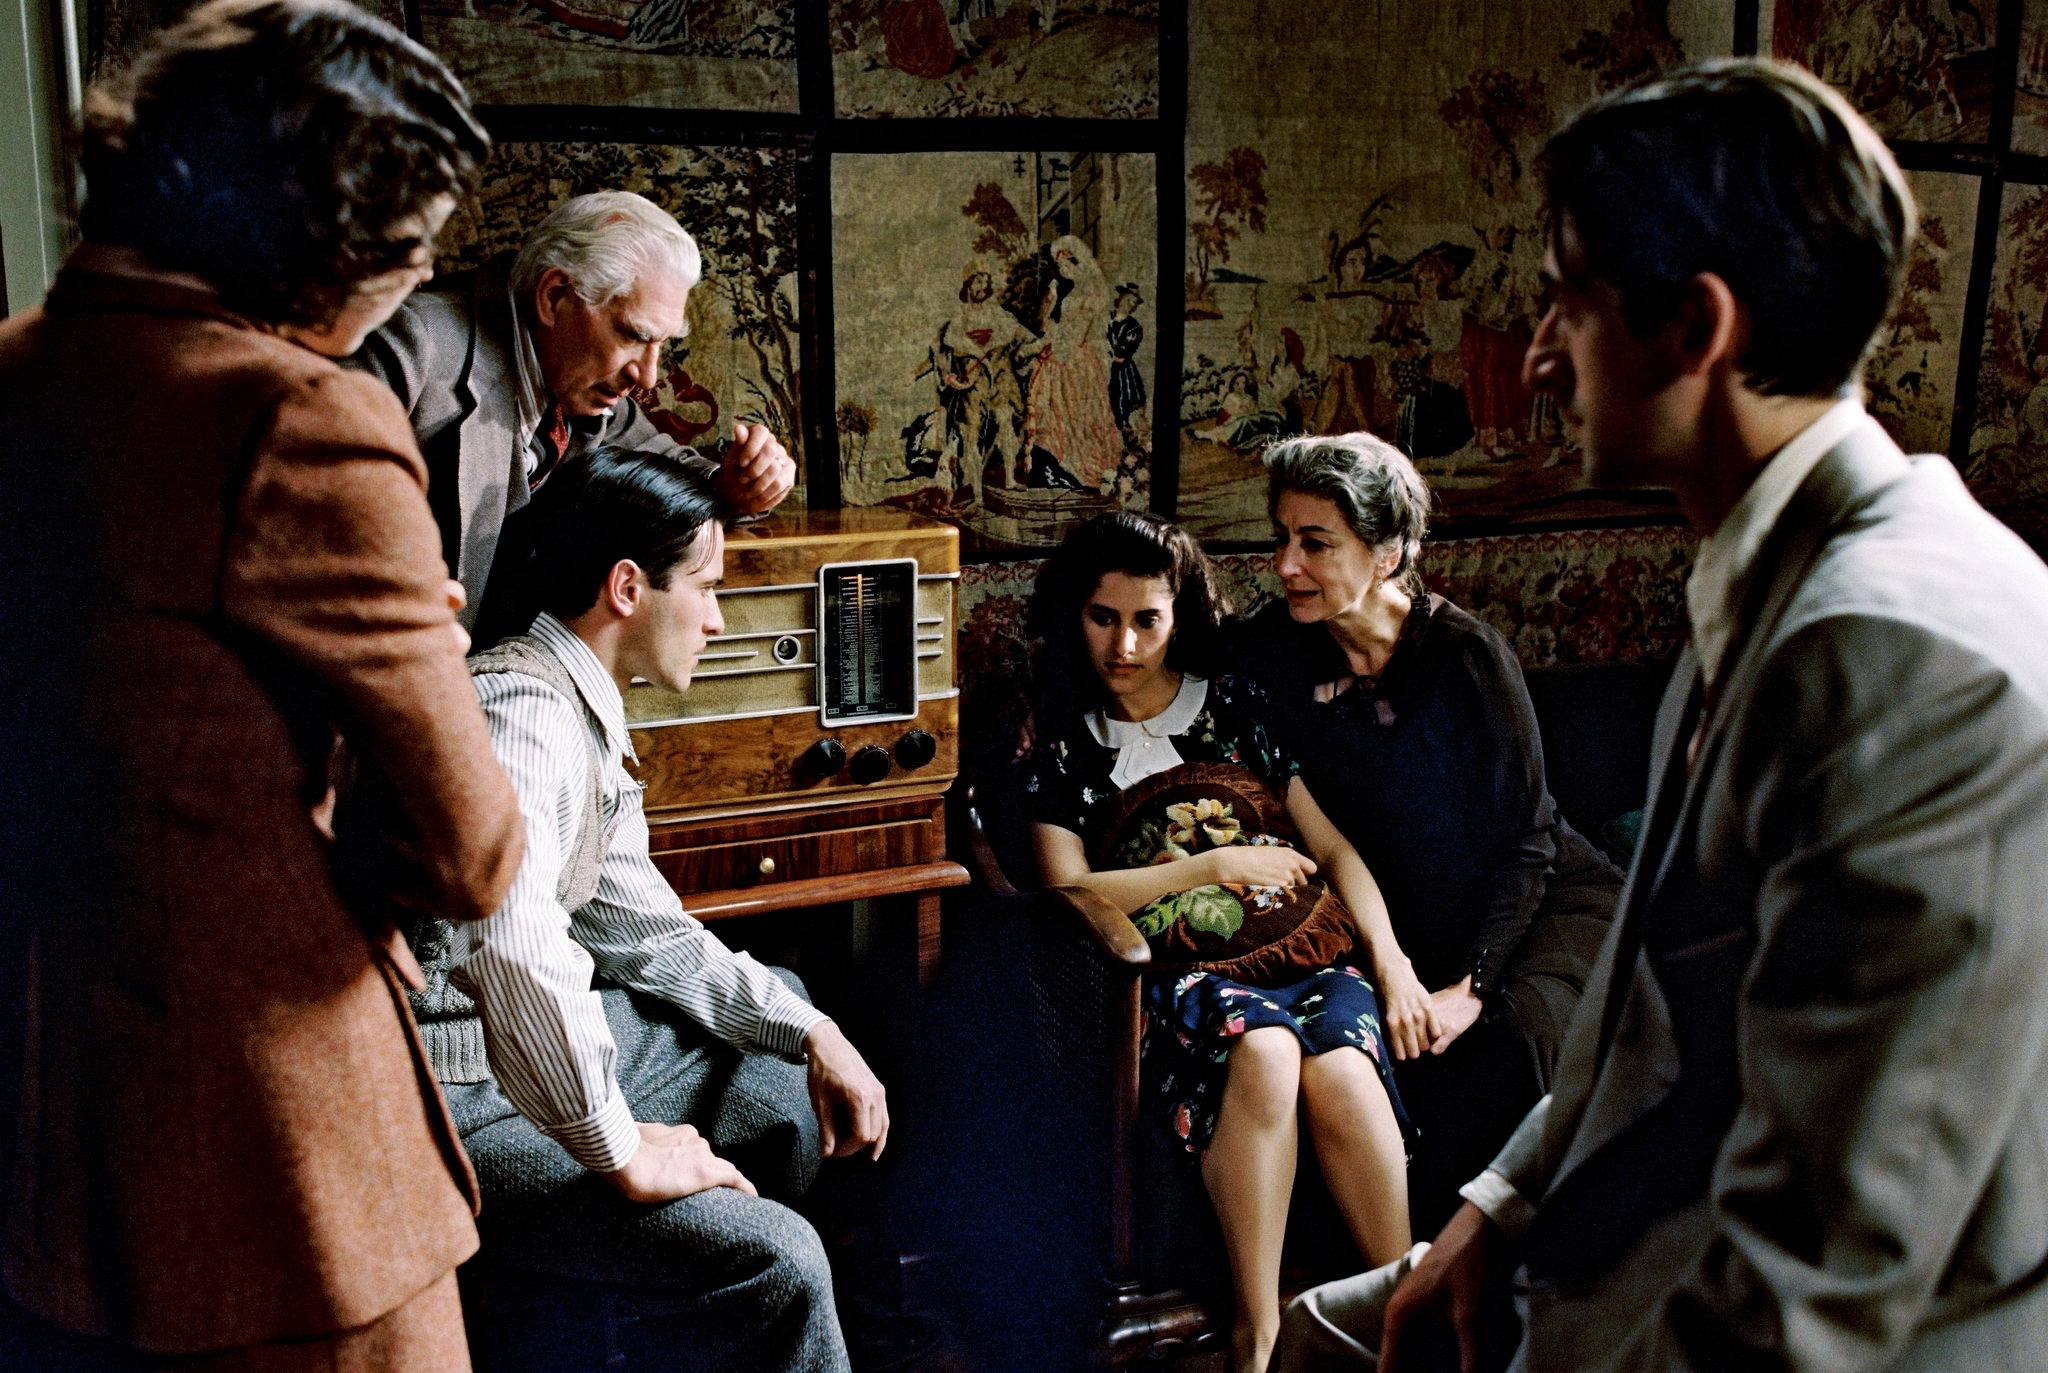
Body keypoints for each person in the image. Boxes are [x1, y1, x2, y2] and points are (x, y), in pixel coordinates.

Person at [1299, 58, 2048, 1373]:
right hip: (1663, 1202)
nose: (1535, 357)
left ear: (1695, 329)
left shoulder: (1899, 657)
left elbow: (1826, 1270)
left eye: (1567, 305)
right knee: (1324, 1334)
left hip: (1859, 1314)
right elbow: (1651, 1001)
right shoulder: (1781, 563)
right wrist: (1497, 1206)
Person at [0, 1, 520, 1368]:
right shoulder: (294, 416)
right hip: (283, 1166)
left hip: (57, 1143)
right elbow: (469, 851)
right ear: (325, 238)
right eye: (409, 253)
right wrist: (426, 661)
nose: (407, 289)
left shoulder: (18, 367)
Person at [411, 446, 889, 1373]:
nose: (716, 618)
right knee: (785, 1263)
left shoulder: (581, 705)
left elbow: (649, 934)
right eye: (706, 587)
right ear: (628, 586)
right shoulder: (523, 717)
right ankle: (741, 1270)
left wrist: (814, 1030)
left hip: (514, 1067)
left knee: (783, 1057)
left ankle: (687, 1323)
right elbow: (508, 948)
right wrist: (623, 1149)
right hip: (460, 1099)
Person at [1025, 512, 1416, 1373]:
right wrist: (1210, 868)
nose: (1124, 644)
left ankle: (1403, 1322)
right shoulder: (1061, 741)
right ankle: (1256, 1335)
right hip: (1175, 975)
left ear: (1179, 615)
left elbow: (1330, 847)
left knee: (1347, 1067)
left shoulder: (1235, 706)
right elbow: (1068, 892)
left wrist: (1391, 961)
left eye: (1147, 619)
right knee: (1266, 1048)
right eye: (1103, 617)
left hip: (1304, 948)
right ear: (1075, 616)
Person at [1241, 433, 1624, 1244]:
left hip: (1541, 901)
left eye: (1316, 544)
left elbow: (1528, 843)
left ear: (1386, 555)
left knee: (1506, 1042)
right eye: (1281, 538)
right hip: (1404, 911)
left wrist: (1472, 985)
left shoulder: (1469, 659)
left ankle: (1498, 1290)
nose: (1286, 566)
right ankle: (1404, 1279)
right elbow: (1158, 656)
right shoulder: (1276, 642)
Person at [353, 189, 797, 649]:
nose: (646, 376)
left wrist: (739, 486)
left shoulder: (583, 386)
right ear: (555, 296)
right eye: (632, 335)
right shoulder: (412, 351)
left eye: (660, 345)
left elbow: (681, 471)